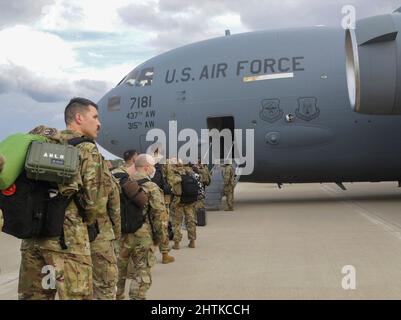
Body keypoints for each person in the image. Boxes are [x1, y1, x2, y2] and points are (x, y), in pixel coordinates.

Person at [18, 97, 105, 300]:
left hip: (33, 239)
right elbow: (95, 202)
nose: (99, 123)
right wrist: (86, 221)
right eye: (95, 117)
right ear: (78, 118)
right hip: (69, 242)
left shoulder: (40, 142)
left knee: (36, 296)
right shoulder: (86, 149)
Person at [116, 154, 165, 300]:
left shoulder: (120, 183)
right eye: (152, 167)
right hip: (143, 236)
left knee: (118, 272)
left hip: (121, 235)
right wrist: (160, 238)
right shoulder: (151, 187)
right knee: (141, 273)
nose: (153, 170)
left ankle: (117, 296)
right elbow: (159, 216)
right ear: (146, 167)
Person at [90, 158, 121, 299]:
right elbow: (115, 210)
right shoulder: (106, 178)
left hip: (66, 237)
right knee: (105, 283)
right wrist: (117, 234)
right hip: (100, 234)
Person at [169, 160, 197, 249]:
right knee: (190, 220)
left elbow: (170, 186)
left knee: (177, 222)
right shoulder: (189, 171)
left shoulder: (173, 173)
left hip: (178, 201)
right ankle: (192, 242)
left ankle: (176, 244)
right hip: (190, 200)